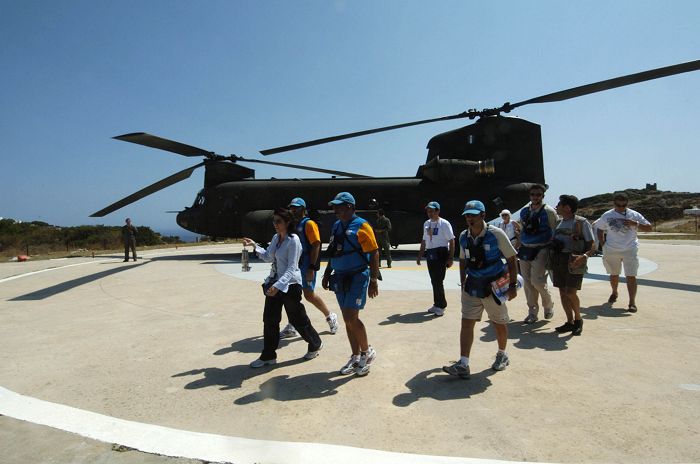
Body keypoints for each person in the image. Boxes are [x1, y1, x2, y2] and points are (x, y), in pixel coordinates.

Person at [442, 200, 518, 379]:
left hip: (493, 286)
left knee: (498, 322)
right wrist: (463, 284)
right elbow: (463, 261)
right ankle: (463, 363)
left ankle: (502, 354)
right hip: (473, 285)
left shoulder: (496, 234)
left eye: (473, 215)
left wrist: (513, 286)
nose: (469, 218)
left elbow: (512, 259)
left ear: (483, 215)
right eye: (467, 215)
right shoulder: (463, 236)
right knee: (466, 322)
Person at [242, 208, 323, 368]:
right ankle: (268, 356)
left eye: (278, 221)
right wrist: (255, 246)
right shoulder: (276, 238)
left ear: (287, 222)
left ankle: (315, 343)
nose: (275, 224)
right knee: (270, 320)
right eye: (274, 221)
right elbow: (268, 257)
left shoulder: (294, 241)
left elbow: (292, 268)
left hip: (291, 285)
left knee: (297, 319)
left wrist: (278, 286)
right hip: (275, 284)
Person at [321, 192, 380, 377]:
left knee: (350, 317)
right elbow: (334, 251)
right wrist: (326, 272)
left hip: (357, 276)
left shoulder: (362, 225)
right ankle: (355, 357)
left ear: (350, 207)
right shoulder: (337, 226)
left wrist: (373, 280)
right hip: (339, 277)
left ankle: (367, 352)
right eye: (334, 206)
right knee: (348, 320)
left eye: (339, 206)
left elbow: (375, 252)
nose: (335, 209)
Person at [278, 197, 339, 338]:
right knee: (290, 295)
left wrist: (311, 267)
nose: (293, 210)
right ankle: (292, 325)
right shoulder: (292, 224)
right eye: (291, 207)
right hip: (294, 265)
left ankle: (330, 316)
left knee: (309, 295)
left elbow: (316, 245)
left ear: (303, 209)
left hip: (306, 264)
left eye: (296, 207)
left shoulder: (309, 224)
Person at [595, 192, 652, 313]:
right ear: (614, 203)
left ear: (627, 204)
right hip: (611, 249)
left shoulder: (634, 214)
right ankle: (614, 292)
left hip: (629, 249)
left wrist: (635, 224)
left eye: (623, 205)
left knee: (631, 276)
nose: (621, 207)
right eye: (618, 205)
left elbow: (649, 228)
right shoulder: (607, 215)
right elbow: (599, 229)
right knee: (614, 274)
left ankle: (632, 302)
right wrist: (603, 243)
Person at [551, 195, 595, 336]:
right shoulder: (558, 222)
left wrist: (585, 256)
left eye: (559, 205)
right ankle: (569, 322)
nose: (557, 207)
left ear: (567, 207)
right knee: (563, 292)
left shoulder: (581, 222)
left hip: (574, 260)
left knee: (571, 292)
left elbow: (592, 245)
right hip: (559, 259)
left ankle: (578, 319)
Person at [517, 184, 558, 324]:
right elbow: (523, 228)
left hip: (541, 249)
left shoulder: (549, 211)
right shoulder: (524, 212)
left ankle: (548, 304)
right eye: (533, 194)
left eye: (538, 194)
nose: (535, 197)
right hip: (525, 249)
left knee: (537, 281)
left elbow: (554, 229)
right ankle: (532, 312)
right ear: (529, 196)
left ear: (543, 196)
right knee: (528, 283)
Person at [416, 201, 455, 317]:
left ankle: (442, 305)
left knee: (438, 280)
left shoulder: (444, 224)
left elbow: (451, 240)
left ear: (438, 211)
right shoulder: (426, 224)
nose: (430, 213)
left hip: (441, 253)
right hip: (431, 253)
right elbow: (424, 240)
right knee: (434, 280)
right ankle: (436, 303)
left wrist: (451, 258)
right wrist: (420, 255)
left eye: (432, 211)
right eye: (428, 211)